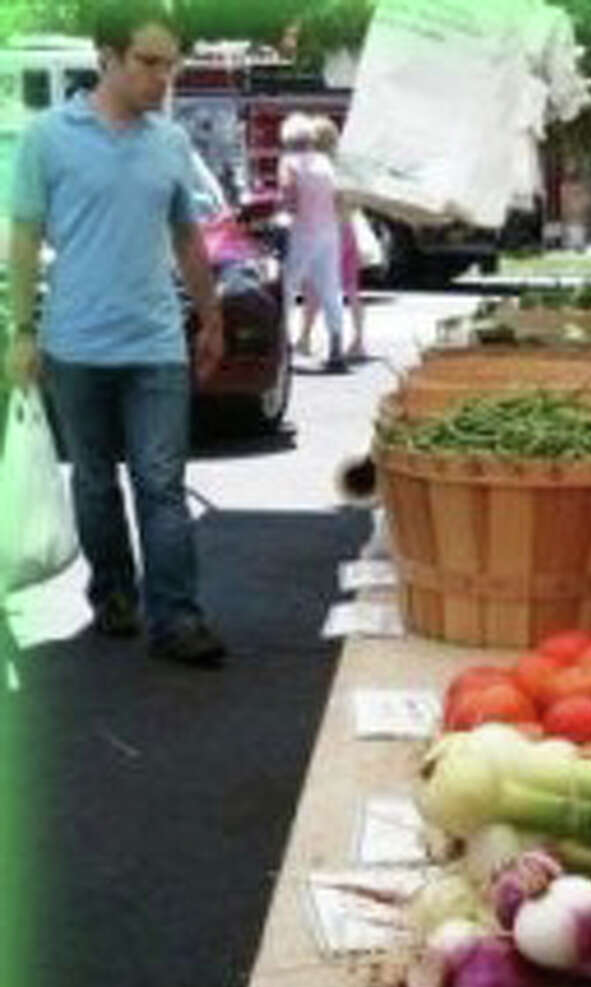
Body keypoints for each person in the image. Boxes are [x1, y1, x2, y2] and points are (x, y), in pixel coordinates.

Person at [5, 0, 227, 666]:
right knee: (95, 483)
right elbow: (22, 238)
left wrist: (210, 315)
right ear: (106, 58)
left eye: (170, 64)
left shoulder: (171, 142)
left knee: (160, 484)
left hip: (156, 344)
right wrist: (22, 329)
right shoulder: (48, 136)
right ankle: (113, 594)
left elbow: (187, 236)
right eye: (148, 63)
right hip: (75, 345)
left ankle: (178, 619)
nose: (162, 78)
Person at [278, 112, 347, 373]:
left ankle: (282, 348)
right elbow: (338, 197)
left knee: (288, 288)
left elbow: (288, 196)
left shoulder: (289, 163)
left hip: (302, 232)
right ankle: (336, 347)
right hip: (329, 232)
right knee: (331, 288)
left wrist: (280, 213)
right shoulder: (325, 162)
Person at [297, 116, 366, 363]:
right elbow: (355, 202)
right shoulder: (343, 170)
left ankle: (307, 339)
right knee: (351, 289)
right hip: (347, 233)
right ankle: (358, 340)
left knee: (315, 290)